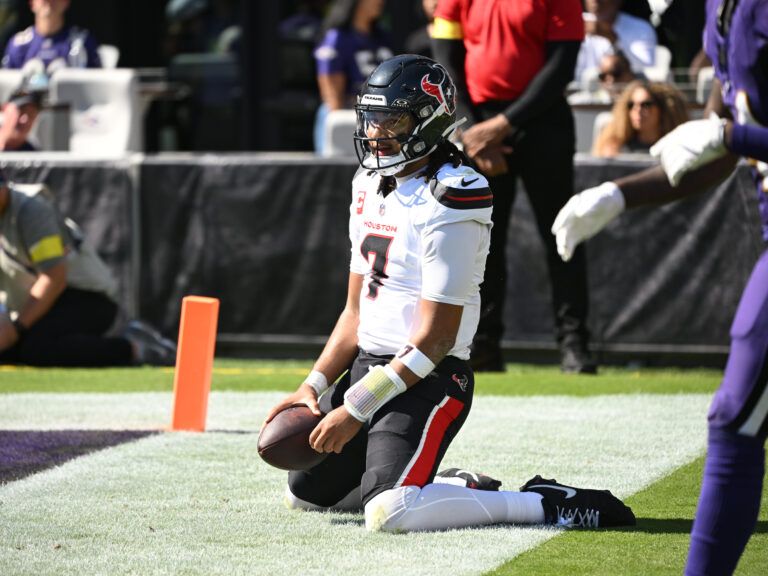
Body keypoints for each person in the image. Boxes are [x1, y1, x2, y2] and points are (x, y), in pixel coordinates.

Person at [262, 54, 635, 533]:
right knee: (305, 497)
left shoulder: (454, 192)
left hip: (428, 379)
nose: (375, 132)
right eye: (371, 118)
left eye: (390, 119)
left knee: (390, 512)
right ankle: (452, 487)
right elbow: (354, 311)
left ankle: (543, 503)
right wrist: (312, 387)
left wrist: (355, 408)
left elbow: (436, 340)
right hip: (367, 369)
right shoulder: (368, 183)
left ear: (430, 121)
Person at [550, 1, 768, 573]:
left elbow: (731, 137)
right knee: (735, 421)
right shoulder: (722, 12)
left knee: (736, 417)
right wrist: (618, 195)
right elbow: (718, 150)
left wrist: (733, 132)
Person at [431, 0, 596, 373]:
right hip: (478, 123)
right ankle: (483, 346)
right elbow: (446, 62)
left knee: (563, 235)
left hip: (543, 122)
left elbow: (561, 67)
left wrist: (500, 126)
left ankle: (574, 344)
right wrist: (474, 131)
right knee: (480, 243)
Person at [0, 174, 176, 367]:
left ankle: (135, 347)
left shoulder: (32, 212)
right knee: (9, 351)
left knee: (38, 348)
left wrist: (17, 327)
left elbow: (54, 276)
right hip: (39, 299)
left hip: (85, 296)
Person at [313, 0, 393, 154]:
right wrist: (341, 121)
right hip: (345, 115)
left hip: (377, 117)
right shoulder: (338, 37)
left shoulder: (380, 36)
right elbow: (330, 88)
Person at [2, 0, 101, 86]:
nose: (49, 1)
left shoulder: (82, 42)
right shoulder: (18, 44)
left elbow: (97, 86)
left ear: (66, 2)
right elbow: (7, 89)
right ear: (32, 3)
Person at [592, 79, 688, 157]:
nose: (637, 110)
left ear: (664, 109)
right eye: (631, 105)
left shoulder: (677, 148)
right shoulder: (614, 147)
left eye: (646, 105)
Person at [574, 0, 657, 85]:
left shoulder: (641, 28)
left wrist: (613, 39)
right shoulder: (574, 22)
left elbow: (644, 69)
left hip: (625, 92)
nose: (595, 1)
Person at [0, 87, 42, 151]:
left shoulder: (33, 154)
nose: (25, 120)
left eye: (31, 114)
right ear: (4, 109)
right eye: (21, 111)